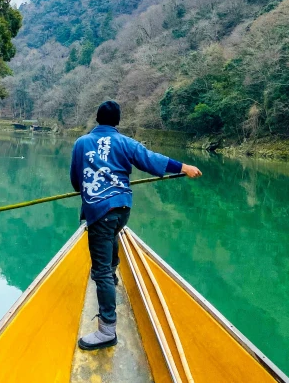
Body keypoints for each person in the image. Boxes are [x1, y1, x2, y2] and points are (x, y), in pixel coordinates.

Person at [70, 99, 202, 351]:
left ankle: (107, 330)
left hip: (99, 211)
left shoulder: (81, 143)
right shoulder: (125, 142)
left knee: (100, 273)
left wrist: (86, 193)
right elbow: (152, 160)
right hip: (122, 209)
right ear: (117, 122)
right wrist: (183, 167)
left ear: (97, 119)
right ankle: (115, 269)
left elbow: (76, 180)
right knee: (113, 233)